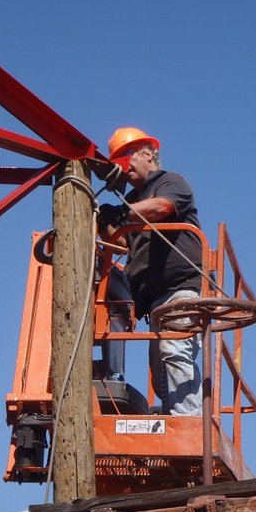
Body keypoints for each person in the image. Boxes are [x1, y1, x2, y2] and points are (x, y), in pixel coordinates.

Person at [98, 127, 203, 416]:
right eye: (117, 161)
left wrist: (122, 213)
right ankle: (178, 417)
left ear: (148, 154)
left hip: (182, 288)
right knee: (160, 373)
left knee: (175, 351)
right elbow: (121, 242)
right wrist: (102, 219)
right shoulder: (132, 203)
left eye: (127, 156)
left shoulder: (171, 182)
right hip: (155, 300)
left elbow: (162, 207)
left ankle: (188, 424)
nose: (124, 165)